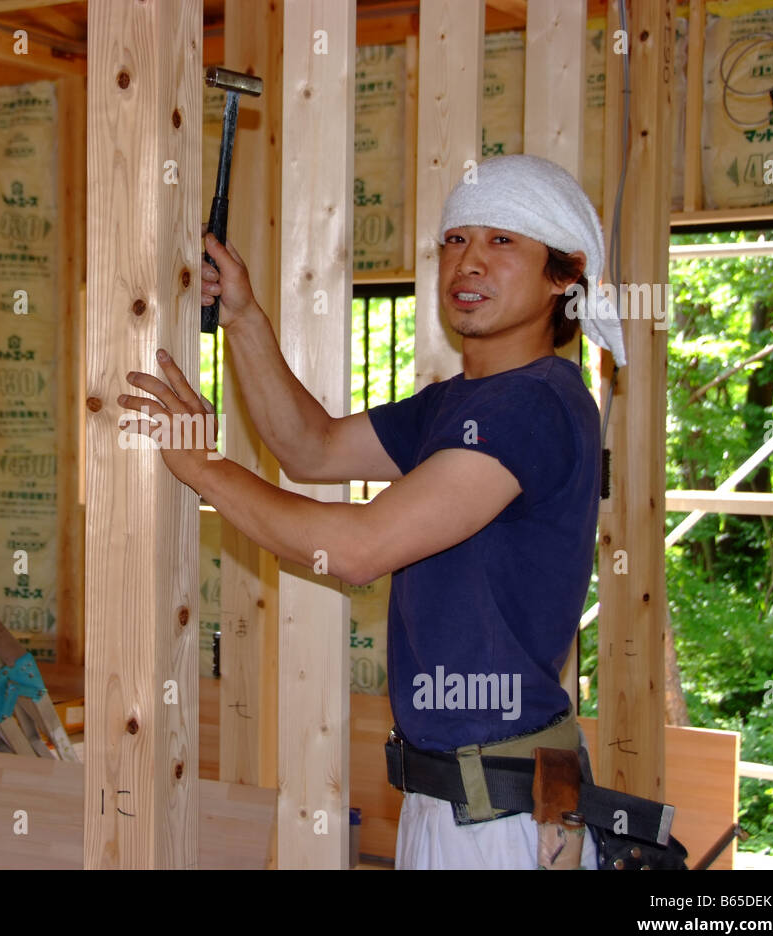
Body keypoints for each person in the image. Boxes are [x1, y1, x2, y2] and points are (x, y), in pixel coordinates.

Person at [116, 154, 626, 868]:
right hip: (453, 797)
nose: (468, 263)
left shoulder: (532, 405)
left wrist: (201, 465)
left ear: (562, 275)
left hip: (498, 817)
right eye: (456, 240)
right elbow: (313, 448)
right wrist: (243, 317)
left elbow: (359, 547)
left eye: (503, 242)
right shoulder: (461, 404)